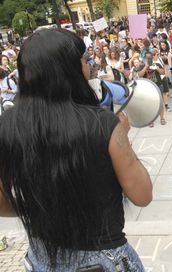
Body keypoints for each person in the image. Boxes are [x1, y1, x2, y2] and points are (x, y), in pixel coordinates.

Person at [0, 28, 152, 271]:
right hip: (102, 261)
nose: (88, 66)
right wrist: (122, 137)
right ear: (68, 69)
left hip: (42, 259)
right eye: (83, 59)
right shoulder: (103, 124)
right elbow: (142, 195)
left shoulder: (6, 126)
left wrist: (36, 209)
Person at [137, 50, 167, 126]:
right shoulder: (142, 66)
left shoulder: (156, 64)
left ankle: (162, 118)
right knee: (149, 104)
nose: (149, 59)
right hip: (148, 87)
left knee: (160, 103)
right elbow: (140, 75)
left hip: (158, 85)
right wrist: (146, 66)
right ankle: (151, 121)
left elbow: (163, 72)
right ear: (144, 58)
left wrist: (156, 68)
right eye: (147, 58)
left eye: (150, 58)